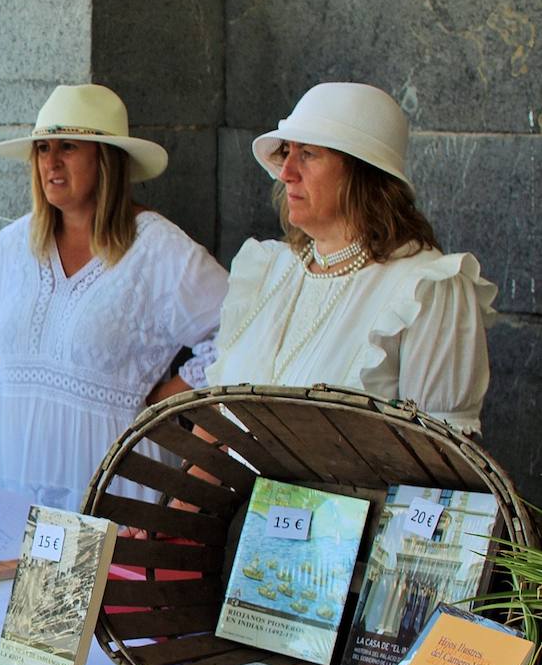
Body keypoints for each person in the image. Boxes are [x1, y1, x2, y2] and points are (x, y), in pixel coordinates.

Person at [0, 84, 228, 510]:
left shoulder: (158, 249)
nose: (50, 162)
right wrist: (5, 372)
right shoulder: (16, 243)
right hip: (19, 465)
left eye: (67, 147)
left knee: (109, 574)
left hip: (112, 473)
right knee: (23, 573)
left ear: (106, 159)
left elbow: (240, 330)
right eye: (42, 149)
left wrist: (164, 400)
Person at [206, 82, 495, 433]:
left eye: (308, 154)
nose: (286, 172)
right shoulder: (269, 269)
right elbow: (218, 421)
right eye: (286, 151)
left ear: (363, 173)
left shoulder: (426, 287)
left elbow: (438, 455)